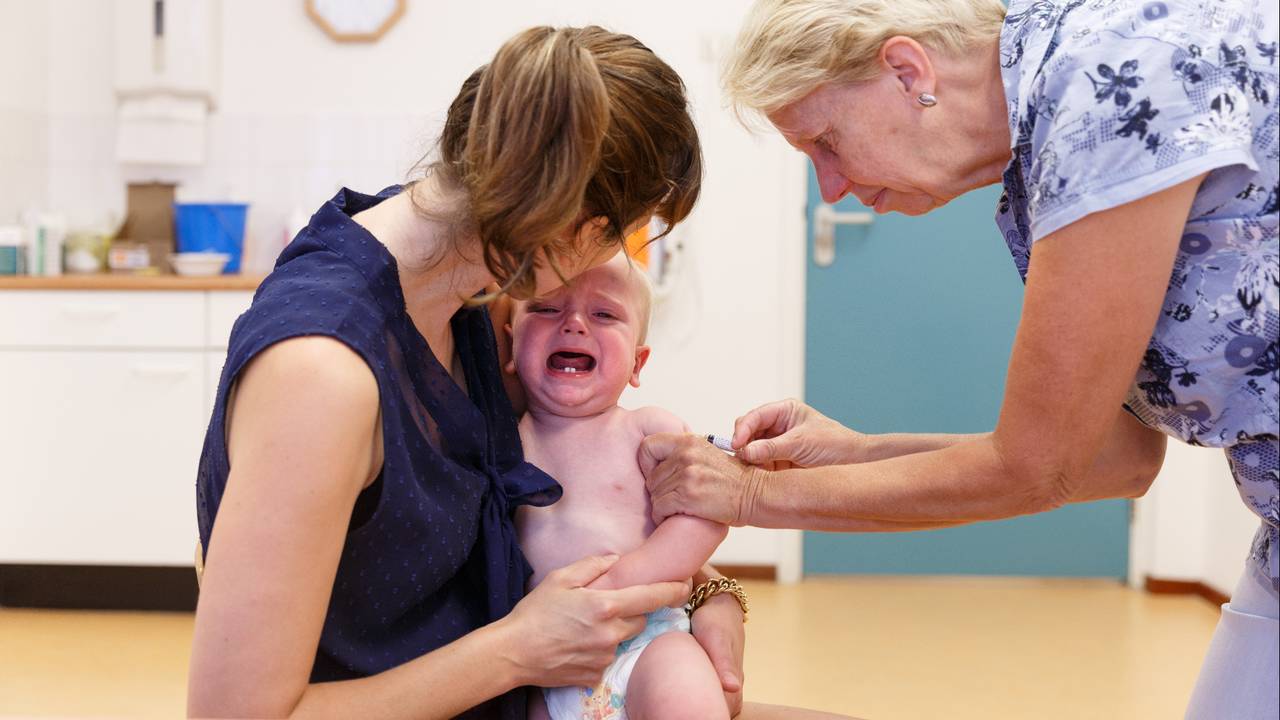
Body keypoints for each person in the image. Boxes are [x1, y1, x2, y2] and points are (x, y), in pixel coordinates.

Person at [639, 1, 1279, 718]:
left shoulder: (1105, 83)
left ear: (908, 72)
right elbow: (1114, 460)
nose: (831, 187)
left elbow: (1039, 469)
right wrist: (855, 455)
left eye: (826, 142)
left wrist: (752, 497)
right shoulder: (1040, 159)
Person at [185, 25, 744, 720]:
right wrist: (517, 649)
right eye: (620, 236)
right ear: (575, 225)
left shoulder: (481, 288)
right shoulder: (323, 372)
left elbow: (568, 511)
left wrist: (709, 590)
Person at [508, 253, 731, 720]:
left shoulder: (648, 431)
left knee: (685, 696)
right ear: (510, 348)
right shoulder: (504, 441)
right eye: (545, 308)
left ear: (637, 361)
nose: (572, 324)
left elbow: (707, 512)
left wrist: (622, 580)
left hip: (648, 641)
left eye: (604, 314)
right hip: (547, 664)